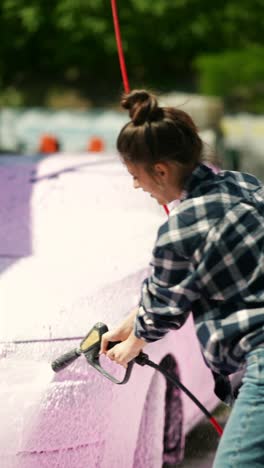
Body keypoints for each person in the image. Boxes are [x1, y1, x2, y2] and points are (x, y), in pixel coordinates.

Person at [100, 89, 264, 467]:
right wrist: (130, 326)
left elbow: (163, 309)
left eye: (135, 175)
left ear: (160, 169)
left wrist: (132, 344)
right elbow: (171, 291)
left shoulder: (181, 229)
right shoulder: (242, 184)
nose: (136, 186)